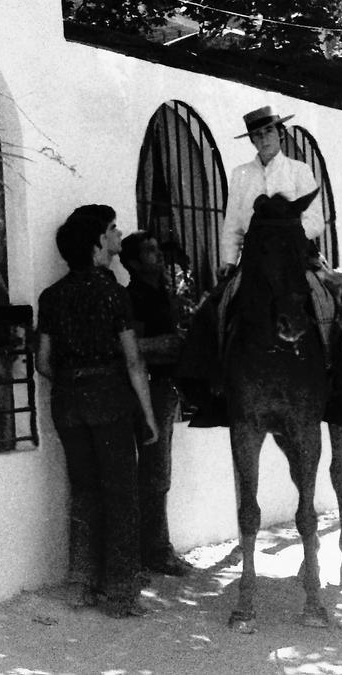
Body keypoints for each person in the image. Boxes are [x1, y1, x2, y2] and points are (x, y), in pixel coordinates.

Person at [35, 206, 158, 619]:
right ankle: (120, 593)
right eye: (111, 229)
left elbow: (44, 362)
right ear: (97, 243)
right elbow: (132, 361)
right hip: (109, 400)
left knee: (84, 491)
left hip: (68, 403)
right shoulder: (113, 293)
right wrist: (149, 415)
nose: (118, 233)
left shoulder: (51, 296)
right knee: (122, 494)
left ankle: (81, 584)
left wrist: (73, 384)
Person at [120, 230, 194, 578]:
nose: (158, 256)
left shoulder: (161, 294)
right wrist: (168, 343)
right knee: (154, 472)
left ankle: (154, 548)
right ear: (133, 262)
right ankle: (154, 550)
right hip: (149, 389)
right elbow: (132, 347)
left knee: (157, 471)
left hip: (165, 387)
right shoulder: (135, 296)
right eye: (149, 251)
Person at [218, 105, 323, 278]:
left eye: (269, 131)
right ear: (252, 140)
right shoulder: (240, 174)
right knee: (223, 300)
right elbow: (233, 224)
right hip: (253, 258)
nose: (263, 138)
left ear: (280, 133)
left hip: (296, 256)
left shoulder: (299, 170)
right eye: (257, 134)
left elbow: (316, 219)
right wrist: (229, 260)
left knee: (323, 298)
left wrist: (286, 237)